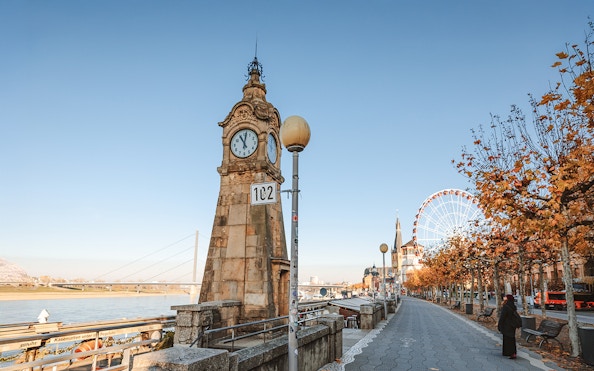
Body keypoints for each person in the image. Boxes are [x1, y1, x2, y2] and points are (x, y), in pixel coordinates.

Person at [497, 294, 519, 359]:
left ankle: (508, 352)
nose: (504, 298)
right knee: (511, 338)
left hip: (507, 324)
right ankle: (512, 352)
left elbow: (502, 316)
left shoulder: (506, 306)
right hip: (512, 325)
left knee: (507, 338)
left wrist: (500, 324)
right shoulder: (513, 306)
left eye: (505, 297)